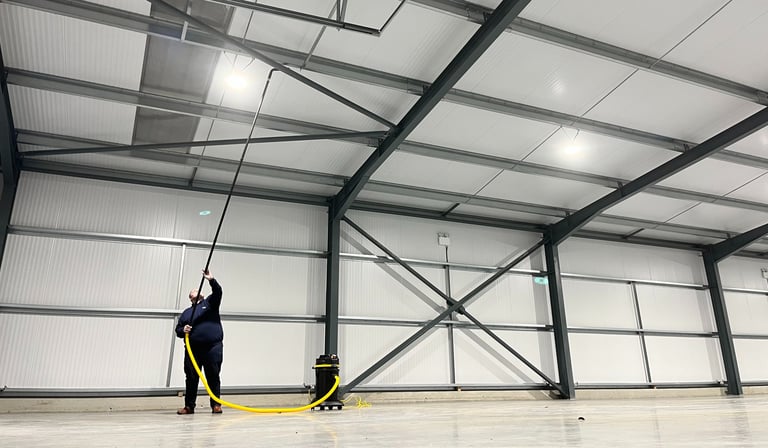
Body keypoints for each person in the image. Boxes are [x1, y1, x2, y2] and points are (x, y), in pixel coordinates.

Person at [175, 269, 224, 415]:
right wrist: (183, 329)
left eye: (197, 290)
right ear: (190, 297)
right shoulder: (186, 313)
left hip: (212, 348)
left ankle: (216, 404)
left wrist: (211, 280)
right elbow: (177, 330)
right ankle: (189, 406)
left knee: (213, 376)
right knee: (191, 377)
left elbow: (218, 292)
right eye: (193, 292)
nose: (196, 292)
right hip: (193, 350)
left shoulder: (210, 304)